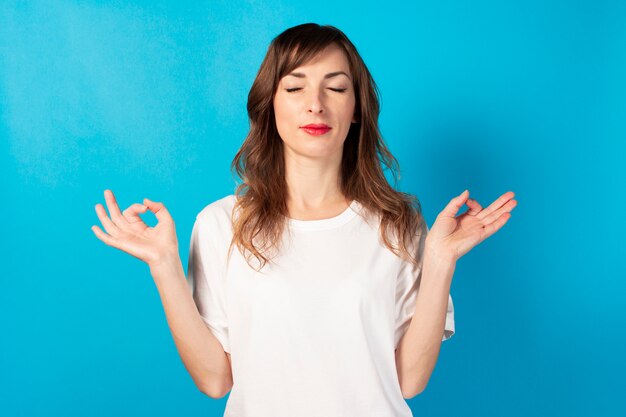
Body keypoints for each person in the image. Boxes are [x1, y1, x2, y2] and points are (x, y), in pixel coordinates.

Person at [91, 23, 517, 417]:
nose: (315, 104)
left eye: (335, 88)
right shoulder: (221, 223)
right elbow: (215, 378)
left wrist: (441, 260)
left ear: (356, 110)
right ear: (269, 105)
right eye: (295, 87)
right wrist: (164, 266)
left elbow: (409, 380)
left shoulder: (398, 223)